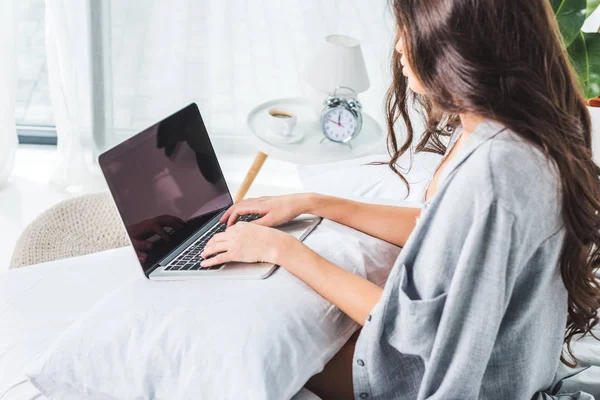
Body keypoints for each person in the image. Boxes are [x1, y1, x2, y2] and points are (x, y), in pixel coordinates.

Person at [201, 0, 600, 398]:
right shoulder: (511, 125)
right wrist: (314, 203)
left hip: (469, 382)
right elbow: (440, 231)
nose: (397, 47)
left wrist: (284, 250)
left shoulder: (493, 174)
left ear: (454, 41)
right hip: (511, 366)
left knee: (245, 355)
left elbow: (415, 336)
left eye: (407, 30)